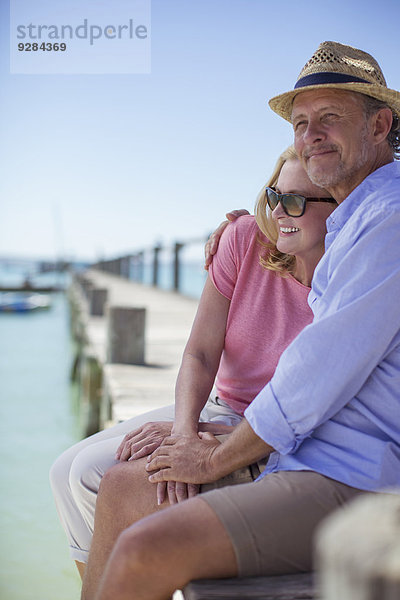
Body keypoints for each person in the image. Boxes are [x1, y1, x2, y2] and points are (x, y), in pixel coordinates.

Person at [92, 41, 400, 600]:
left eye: (329, 118)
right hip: (304, 451)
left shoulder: (388, 223)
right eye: (302, 123)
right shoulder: (353, 220)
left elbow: (313, 377)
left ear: (380, 125)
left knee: (144, 547)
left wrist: (212, 455)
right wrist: (206, 435)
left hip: (355, 476)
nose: (310, 137)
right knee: (121, 487)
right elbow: (222, 358)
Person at [50, 147, 336, 585]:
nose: (279, 212)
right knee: (64, 470)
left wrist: (221, 443)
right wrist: (185, 433)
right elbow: (199, 354)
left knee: (93, 475)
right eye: (274, 196)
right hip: (224, 407)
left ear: (340, 207)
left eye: (295, 202)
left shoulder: (355, 282)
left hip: (282, 431)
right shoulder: (244, 239)